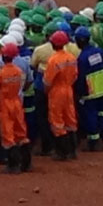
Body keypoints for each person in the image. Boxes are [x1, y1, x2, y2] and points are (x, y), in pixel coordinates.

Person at [0, 42, 32, 173]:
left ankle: (13, 165)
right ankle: (26, 163)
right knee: (21, 132)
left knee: (8, 135)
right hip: (17, 103)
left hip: (5, 105)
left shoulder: (0, 74)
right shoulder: (18, 71)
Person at [44, 30, 79, 160]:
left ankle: (62, 152)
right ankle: (72, 150)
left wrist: (47, 92)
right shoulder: (71, 57)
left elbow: (47, 81)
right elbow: (75, 75)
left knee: (57, 121)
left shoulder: (53, 60)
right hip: (69, 89)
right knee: (70, 119)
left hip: (57, 91)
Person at [75, 26, 103, 151]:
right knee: (102, 113)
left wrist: (79, 93)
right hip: (102, 89)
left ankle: (93, 142)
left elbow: (81, 78)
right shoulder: (100, 51)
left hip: (90, 92)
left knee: (90, 116)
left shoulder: (81, 58)